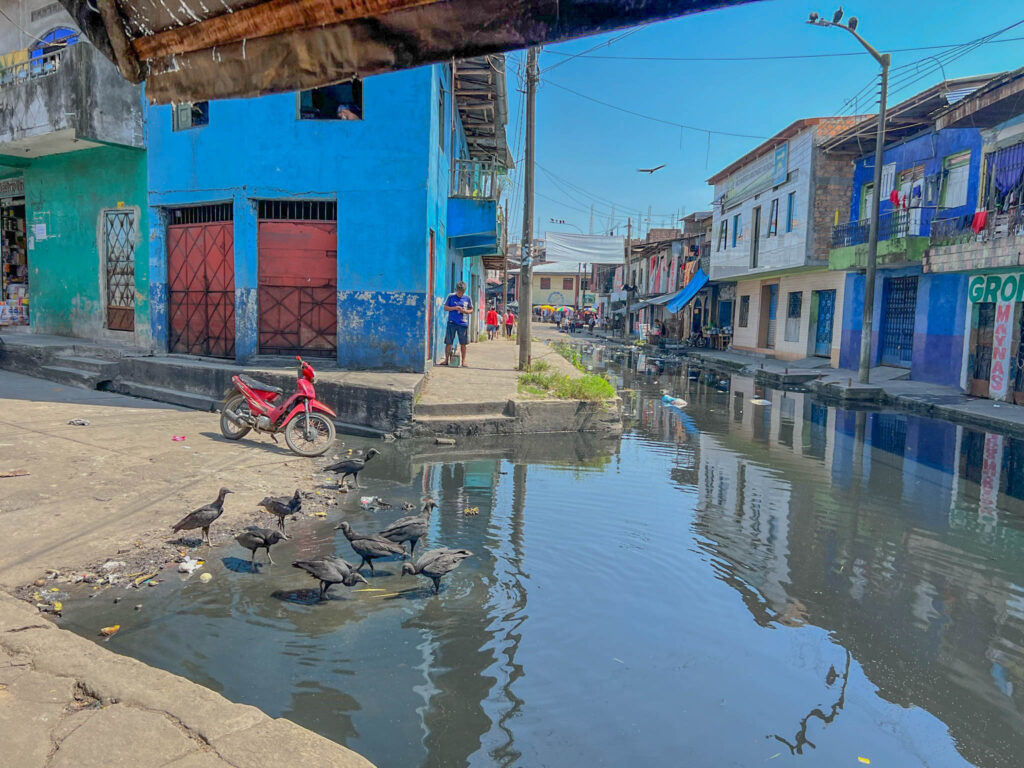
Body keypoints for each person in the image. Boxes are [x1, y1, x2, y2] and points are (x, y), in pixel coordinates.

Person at [442, 281, 473, 366]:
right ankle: (446, 360)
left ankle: (463, 361)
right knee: (448, 342)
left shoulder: (467, 298)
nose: (460, 294)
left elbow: (471, 310)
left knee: (463, 343)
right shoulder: (451, 297)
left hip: (463, 324)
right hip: (452, 322)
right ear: (456, 290)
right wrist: (454, 308)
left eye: (462, 292)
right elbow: (445, 307)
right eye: (459, 292)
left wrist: (464, 311)